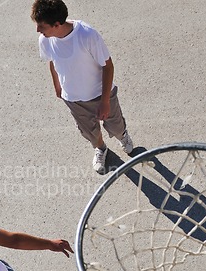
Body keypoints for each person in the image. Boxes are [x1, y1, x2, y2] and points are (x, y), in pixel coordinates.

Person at [31, 0, 134, 173]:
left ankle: (122, 136)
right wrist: (57, 86)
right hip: (74, 99)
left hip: (101, 95)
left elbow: (107, 66)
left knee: (115, 126)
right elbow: (52, 61)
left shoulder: (87, 35)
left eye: (41, 26)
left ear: (57, 24)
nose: (38, 30)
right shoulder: (46, 40)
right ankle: (101, 148)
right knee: (90, 132)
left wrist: (105, 101)